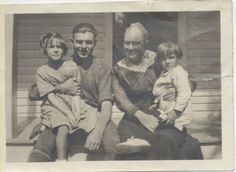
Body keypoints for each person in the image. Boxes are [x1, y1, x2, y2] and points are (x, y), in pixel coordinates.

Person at [28, 23, 119, 162]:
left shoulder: (102, 68)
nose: (83, 46)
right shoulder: (60, 63)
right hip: (62, 112)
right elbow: (34, 93)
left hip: (94, 113)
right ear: (72, 42)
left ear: (95, 43)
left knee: (112, 143)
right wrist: (62, 87)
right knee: (41, 149)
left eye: (88, 42)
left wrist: (98, 131)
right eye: (79, 42)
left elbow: (106, 104)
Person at [112, 22, 203, 160]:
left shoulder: (157, 59)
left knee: (165, 142)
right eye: (127, 43)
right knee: (128, 146)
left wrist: (176, 92)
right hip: (133, 116)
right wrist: (140, 115)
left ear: (145, 43)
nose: (130, 47)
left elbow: (187, 78)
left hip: (162, 113)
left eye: (136, 43)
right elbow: (120, 98)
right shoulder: (119, 68)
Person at [35, 32, 99, 161]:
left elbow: (75, 92)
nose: (56, 50)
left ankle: (79, 154)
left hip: (72, 101)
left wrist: (75, 111)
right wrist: (68, 114)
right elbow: (50, 97)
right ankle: (61, 160)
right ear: (45, 50)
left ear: (64, 50)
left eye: (59, 47)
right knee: (64, 127)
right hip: (53, 105)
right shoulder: (42, 71)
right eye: (51, 47)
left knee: (86, 119)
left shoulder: (71, 66)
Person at [150, 41, 192, 131]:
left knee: (172, 131)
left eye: (171, 58)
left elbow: (185, 92)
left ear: (178, 58)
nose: (167, 62)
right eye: (163, 59)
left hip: (177, 114)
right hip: (166, 111)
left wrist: (176, 111)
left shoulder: (178, 72)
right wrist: (156, 103)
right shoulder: (165, 73)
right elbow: (162, 91)